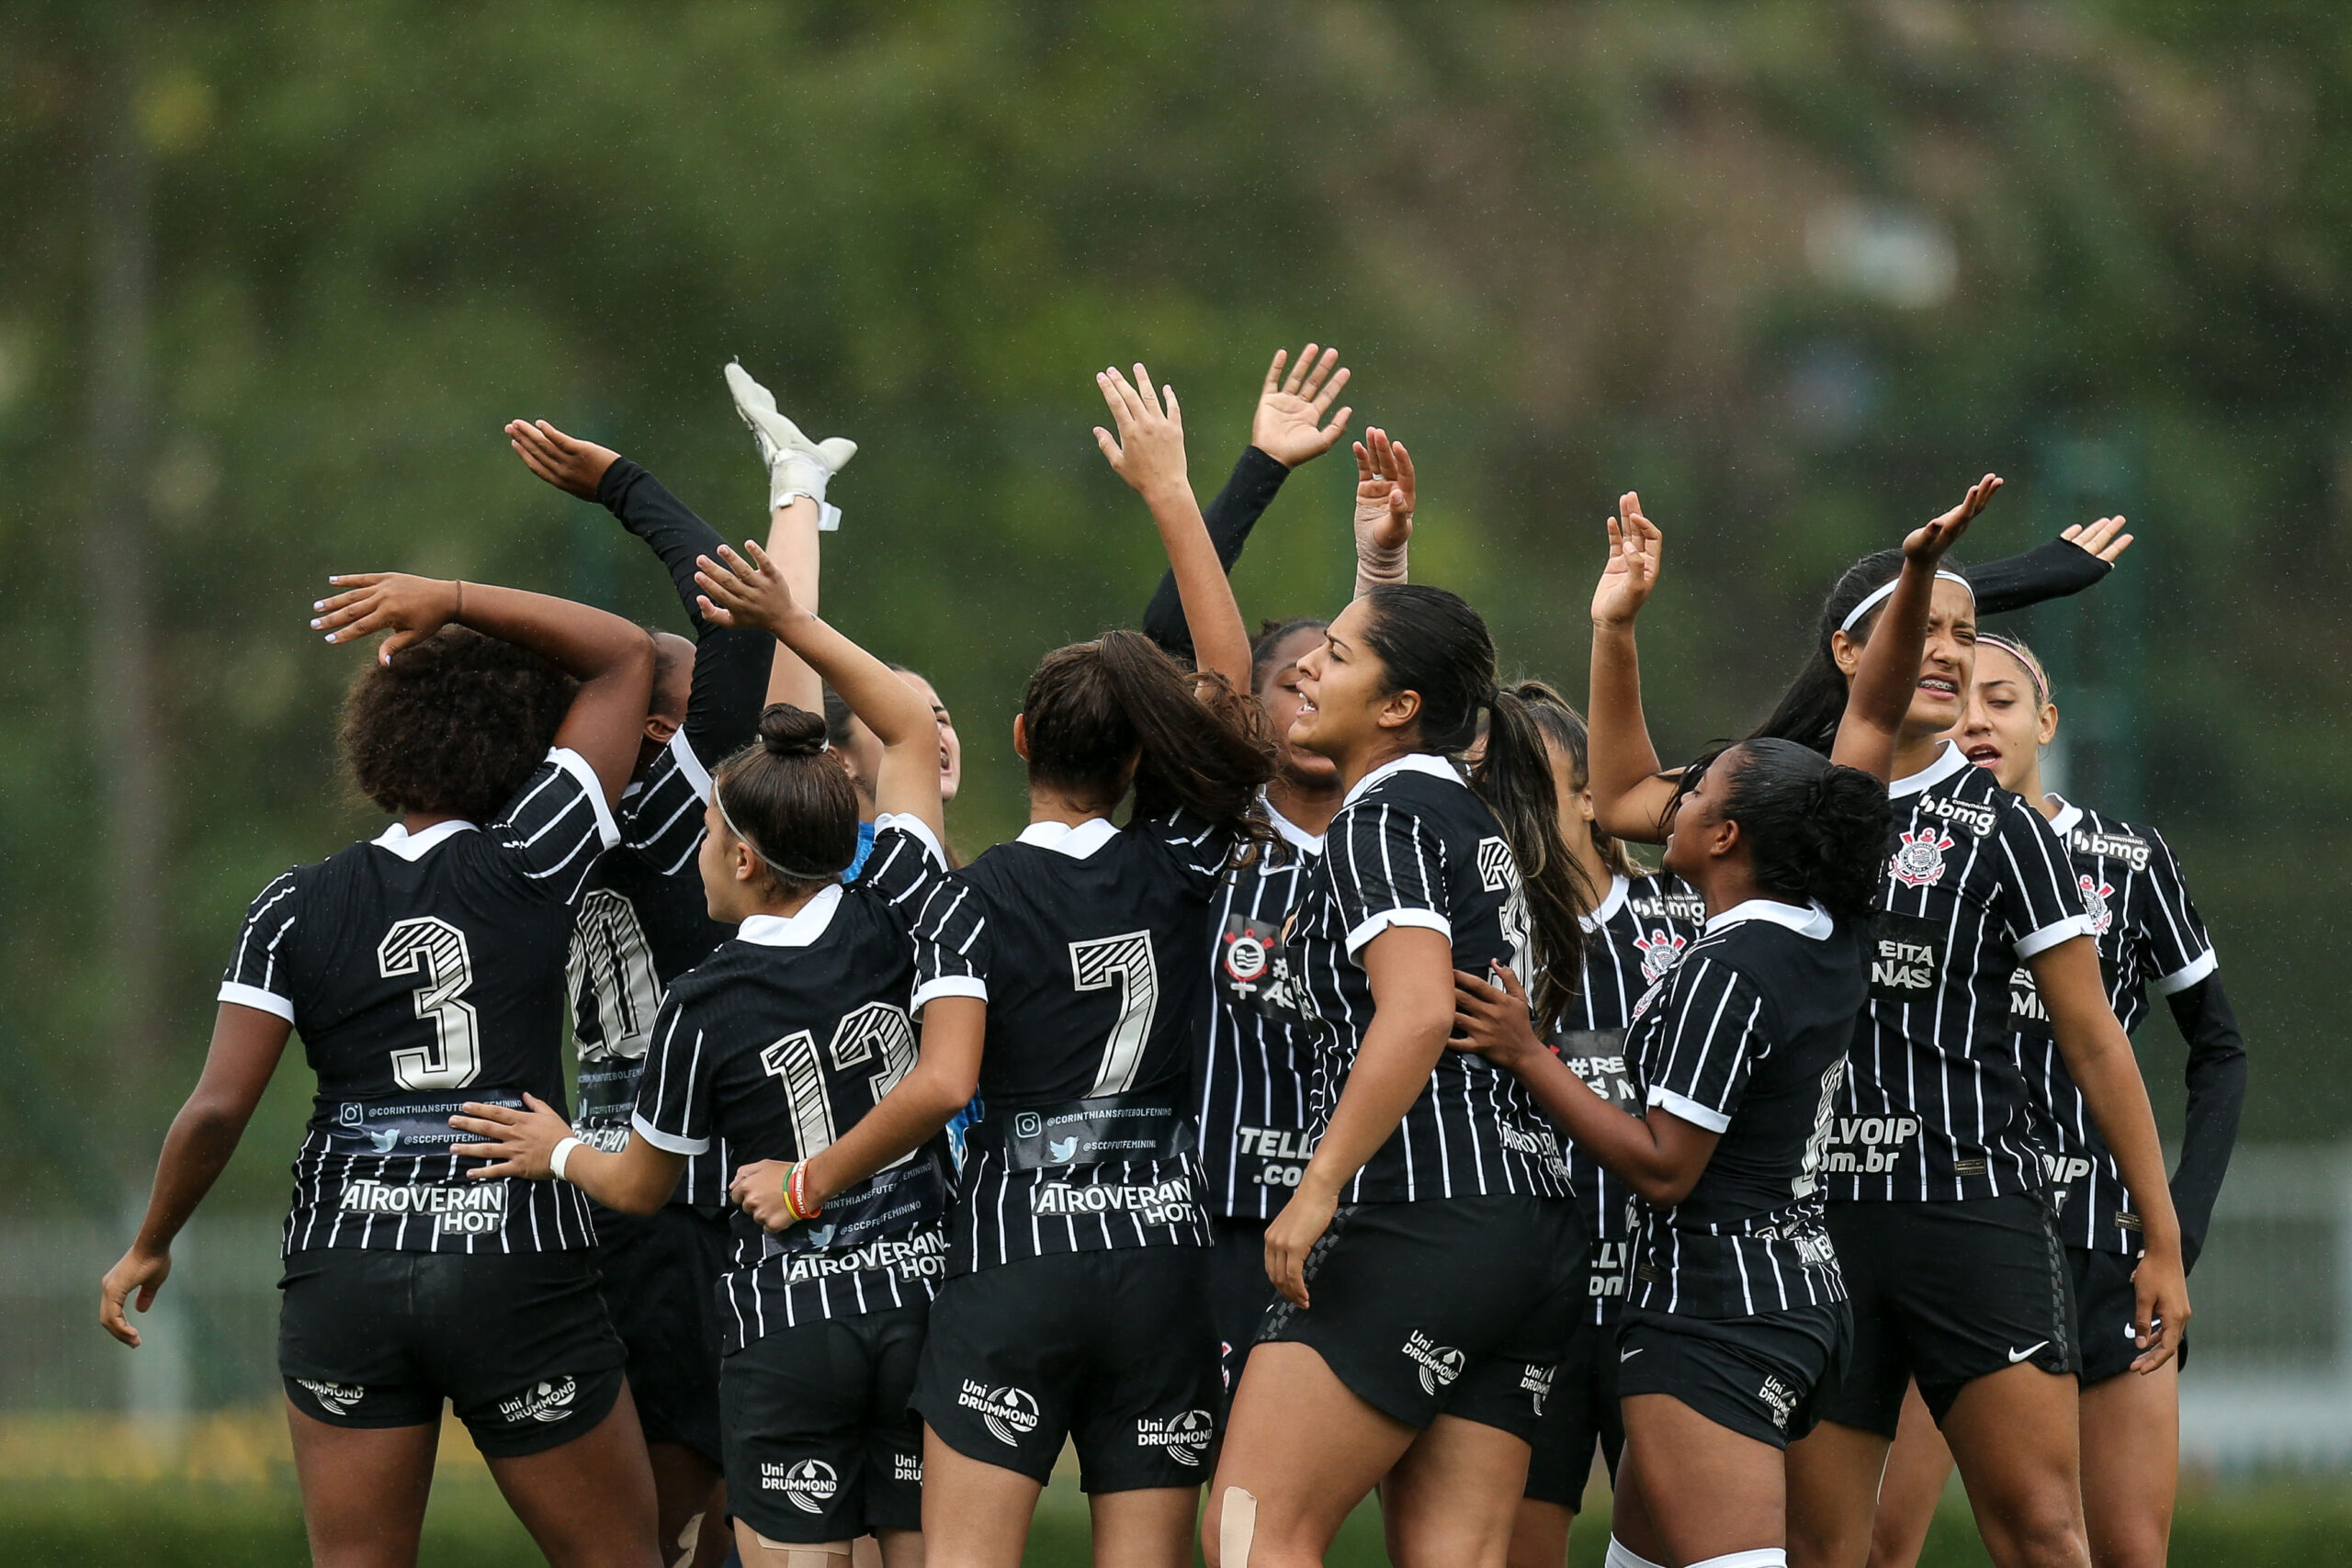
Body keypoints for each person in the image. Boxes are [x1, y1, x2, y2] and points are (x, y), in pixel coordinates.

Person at [722, 364, 1274, 1568]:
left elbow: (938, 1081)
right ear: (1140, 762)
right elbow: (1232, 698)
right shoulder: (1179, 862)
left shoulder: (961, 895)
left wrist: (809, 1180)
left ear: (1020, 739)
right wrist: (1175, 494)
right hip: (1157, 1257)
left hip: (1017, 1259)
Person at [1585, 487, 2191, 1568]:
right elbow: (1624, 795)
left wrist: (2159, 1234)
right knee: (1830, 1548)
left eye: (1968, 632)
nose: (1950, 652)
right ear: (1851, 651)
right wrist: (1617, 625)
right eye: (1929, 630)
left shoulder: (2003, 825)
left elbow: (2096, 1038)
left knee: (2046, 1531)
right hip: (1820, 1232)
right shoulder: (1798, 799)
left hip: (1970, 1208)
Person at [100, 573, 662, 1568]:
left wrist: (150, 1243)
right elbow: (624, 653)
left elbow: (218, 1110)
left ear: (379, 742)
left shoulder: (293, 904)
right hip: (513, 1266)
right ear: (518, 752)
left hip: (344, 1271)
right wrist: (449, 597)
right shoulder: (536, 856)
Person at [1457, 494, 1974, 1568]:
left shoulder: (1730, 973)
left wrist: (1525, 1053)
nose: (1666, 798)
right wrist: (1913, 582)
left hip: (1712, 1312)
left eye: (1695, 790)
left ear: (1723, 835)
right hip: (1790, 1292)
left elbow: (1661, 1168)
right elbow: (1867, 723)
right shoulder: (1828, 920)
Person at [450, 539, 953, 1568]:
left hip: (788, 1318)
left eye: (707, 833)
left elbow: (639, 1183)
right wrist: (796, 572)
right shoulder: (901, 892)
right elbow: (900, 724)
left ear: (738, 853)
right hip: (919, 1300)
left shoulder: (702, 1002)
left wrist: (556, 1150)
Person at [1204, 580, 1591, 1568]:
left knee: (1253, 1534)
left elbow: (1417, 1012)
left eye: (1334, 655)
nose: (1305, 668)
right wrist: (1380, 557)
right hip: (1525, 1225)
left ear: (1397, 707)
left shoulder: (1380, 815)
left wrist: (1318, 1185)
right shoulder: (1464, 811)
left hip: (1420, 1210)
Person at [509, 411, 829, 1568]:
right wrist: (620, 483)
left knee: (645, 1502)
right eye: (694, 707)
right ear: (662, 725)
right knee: (713, 1494)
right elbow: (730, 609)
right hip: (684, 1188)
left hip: (588, 1177)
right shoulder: (672, 809)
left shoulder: (533, 827)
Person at [1862, 633, 2245, 1568]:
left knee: (2116, 1551)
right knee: (1873, 1545)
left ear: (2048, 721)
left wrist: (2173, 1234)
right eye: (1959, 697)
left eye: (2003, 698)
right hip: (1956, 1230)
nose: (1976, 718)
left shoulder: (2125, 859)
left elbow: (2220, 1050)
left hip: (2098, 1246)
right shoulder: (1896, 841)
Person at [1491, 682, 1704, 1568]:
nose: (1502, 804)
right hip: (1537, 1305)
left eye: (1525, 778)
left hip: (1673, 1296)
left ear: (1591, 794)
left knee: (1683, 1547)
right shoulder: (1480, 941)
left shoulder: (1689, 919)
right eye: (1486, 784)